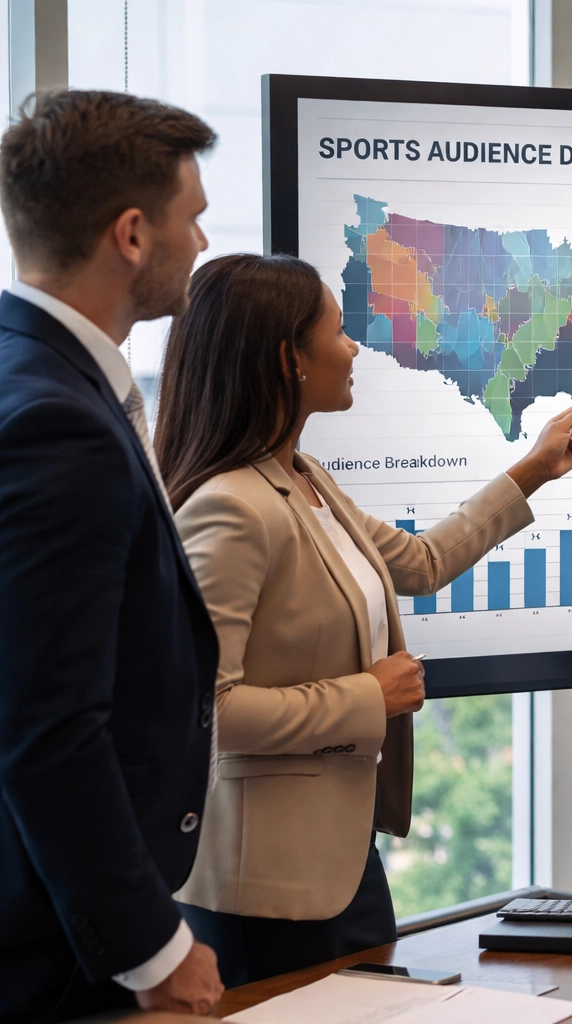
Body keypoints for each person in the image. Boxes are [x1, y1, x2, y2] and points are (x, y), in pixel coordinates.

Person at [153, 252, 572, 986]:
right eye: (335, 330)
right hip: (267, 892)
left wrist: (535, 468)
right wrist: (369, 696)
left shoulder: (301, 476)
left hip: (343, 861)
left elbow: (418, 563)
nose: (354, 346)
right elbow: (209, 710)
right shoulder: (230, 506)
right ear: (286, 359)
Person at [0, 91, 226, 1020]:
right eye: (194, 218)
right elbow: (45, 724)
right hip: (55, 951)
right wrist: (153, 950)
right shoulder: (61, 424)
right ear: (132, 235)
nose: (204, 243)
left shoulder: (36, 376)